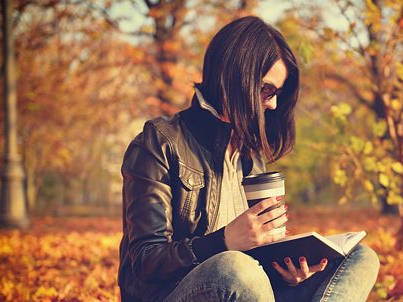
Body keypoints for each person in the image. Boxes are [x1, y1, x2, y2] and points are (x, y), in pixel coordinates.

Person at [118, 16, 380, 302]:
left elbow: (256, 268)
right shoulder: (159, 142)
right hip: (171, 294)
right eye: (267, 90)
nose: (273, 104)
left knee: (360, 258)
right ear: (234, 76)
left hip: (244, 288)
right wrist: (224, 241)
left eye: (278, 93)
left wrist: (286, 273)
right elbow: (146, 261)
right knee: (234, 266)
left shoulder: (248, 155)